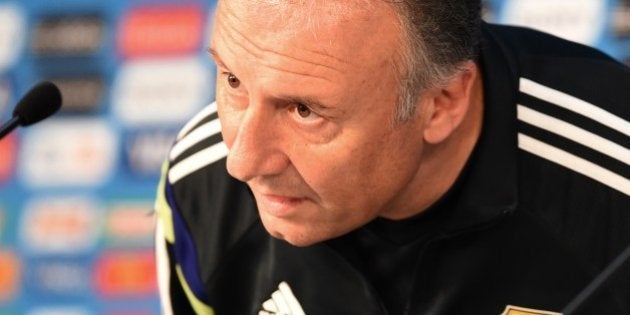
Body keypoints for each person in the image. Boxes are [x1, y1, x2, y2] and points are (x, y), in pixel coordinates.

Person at [154, 0, 630, 314]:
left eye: (304, 110)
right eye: (233, 81)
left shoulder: (614, 185)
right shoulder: (200, 186)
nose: (242, 161)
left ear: (441, 103)